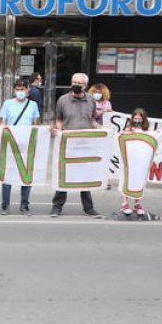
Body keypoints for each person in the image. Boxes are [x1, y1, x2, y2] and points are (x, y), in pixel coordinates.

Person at [50, 72, 100, 217]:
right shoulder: (63, 100)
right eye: (74, 82)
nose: (76, 85)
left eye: (79, 83)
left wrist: (102, 129)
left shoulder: (91, 100)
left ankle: (88, 208)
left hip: (85, 144)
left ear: (85, 86)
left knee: (85, 175)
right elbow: (59, 119)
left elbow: (93, 120)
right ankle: (57, 206)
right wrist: (59, 131)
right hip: (68, 143)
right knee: (64, 174)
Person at [0, 80, 41, 215]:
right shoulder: (7, 104)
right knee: (7, 175)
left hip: (27, 144)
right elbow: (3, 123)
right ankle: (5, 205)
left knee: (26, 176)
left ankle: (24, 205)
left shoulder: (33, 105)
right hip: (11, 144)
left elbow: (36, 125)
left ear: (28, 90)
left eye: (22, 89)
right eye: (17, 89)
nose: (20, 92)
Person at [118, 109, 151, 217]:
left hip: (140, 161)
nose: (137, 120)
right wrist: (125, 133)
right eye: (135, 118)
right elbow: (121, 139)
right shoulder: (128, 129)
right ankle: (124, 203)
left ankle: (137, 203)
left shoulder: (146, 130)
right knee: (127, 180)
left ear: (143, 119)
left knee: (139, 180)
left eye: (139, 118)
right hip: (129, 160)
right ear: (132, 118)